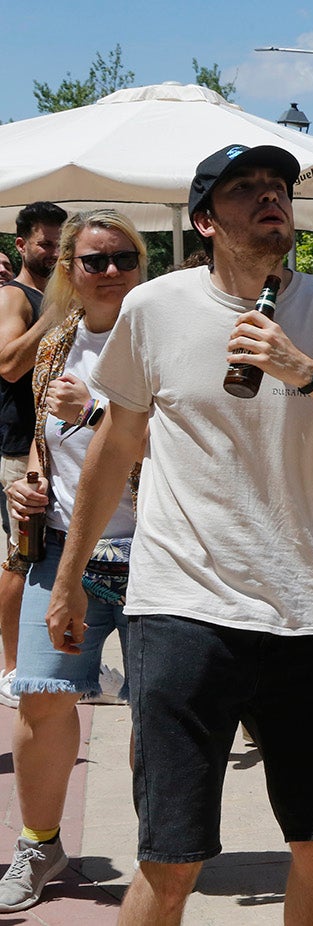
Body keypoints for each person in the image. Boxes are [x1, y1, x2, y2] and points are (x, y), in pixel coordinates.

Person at [43, 143, 313, 926]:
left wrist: (309, 372)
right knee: (172, 857)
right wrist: (68, 575)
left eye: (278, 187)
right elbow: (115, 447)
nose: (270, 198)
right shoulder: (155, 309)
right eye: (246, 188)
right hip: (182, 611)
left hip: (308, 615)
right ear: (204, 220)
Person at [0, 210, 145, 914]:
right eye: (95, 260)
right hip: (62, 552)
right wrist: (30, 484)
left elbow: (187, 448)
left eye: (125, 259)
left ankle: (162, 851)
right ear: (70, 271)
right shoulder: (56, 344)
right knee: (42, 698)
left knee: (158, 711)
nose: (111, 271)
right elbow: (42, 442)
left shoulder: (159, 342)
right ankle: (39, 842)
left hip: (156, 551)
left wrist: (94, 415)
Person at [0, 202, 68, 709]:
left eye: (60, 243)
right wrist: (59, 317)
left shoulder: (55, 296)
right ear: (20, 245)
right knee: (22, 558)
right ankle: (11, 666)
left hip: (51, 446)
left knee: (43, 557)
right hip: (20, 449)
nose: (54, 252)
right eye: (45, 243)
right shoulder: (13, 296)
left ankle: (47, 658)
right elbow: (6, 364)